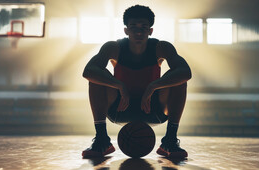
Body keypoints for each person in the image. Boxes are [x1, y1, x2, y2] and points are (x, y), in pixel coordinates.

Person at [82, 5, 191, 158]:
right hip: (119, 109)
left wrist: (153, 86)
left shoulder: (161, 47)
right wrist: (120, 85)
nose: (138, 32)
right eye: (133, 27)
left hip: (153, 110)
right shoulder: (113, 48)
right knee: (97, 75)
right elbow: (88, 71)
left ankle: (170, 140)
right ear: (126, 30)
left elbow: (186, 72)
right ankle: (102, 139)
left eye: (143, 27)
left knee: (178, 78)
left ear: (150, 30)